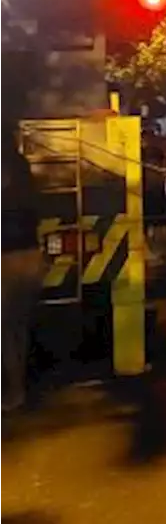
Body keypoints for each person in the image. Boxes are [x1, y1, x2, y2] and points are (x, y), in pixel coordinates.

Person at [0, 123, 41, 413]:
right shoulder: (22, 167)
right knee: (18, 327)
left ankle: (15, 392)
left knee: (6, 331)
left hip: (5, 258)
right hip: (30, 254)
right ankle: (19, 387)